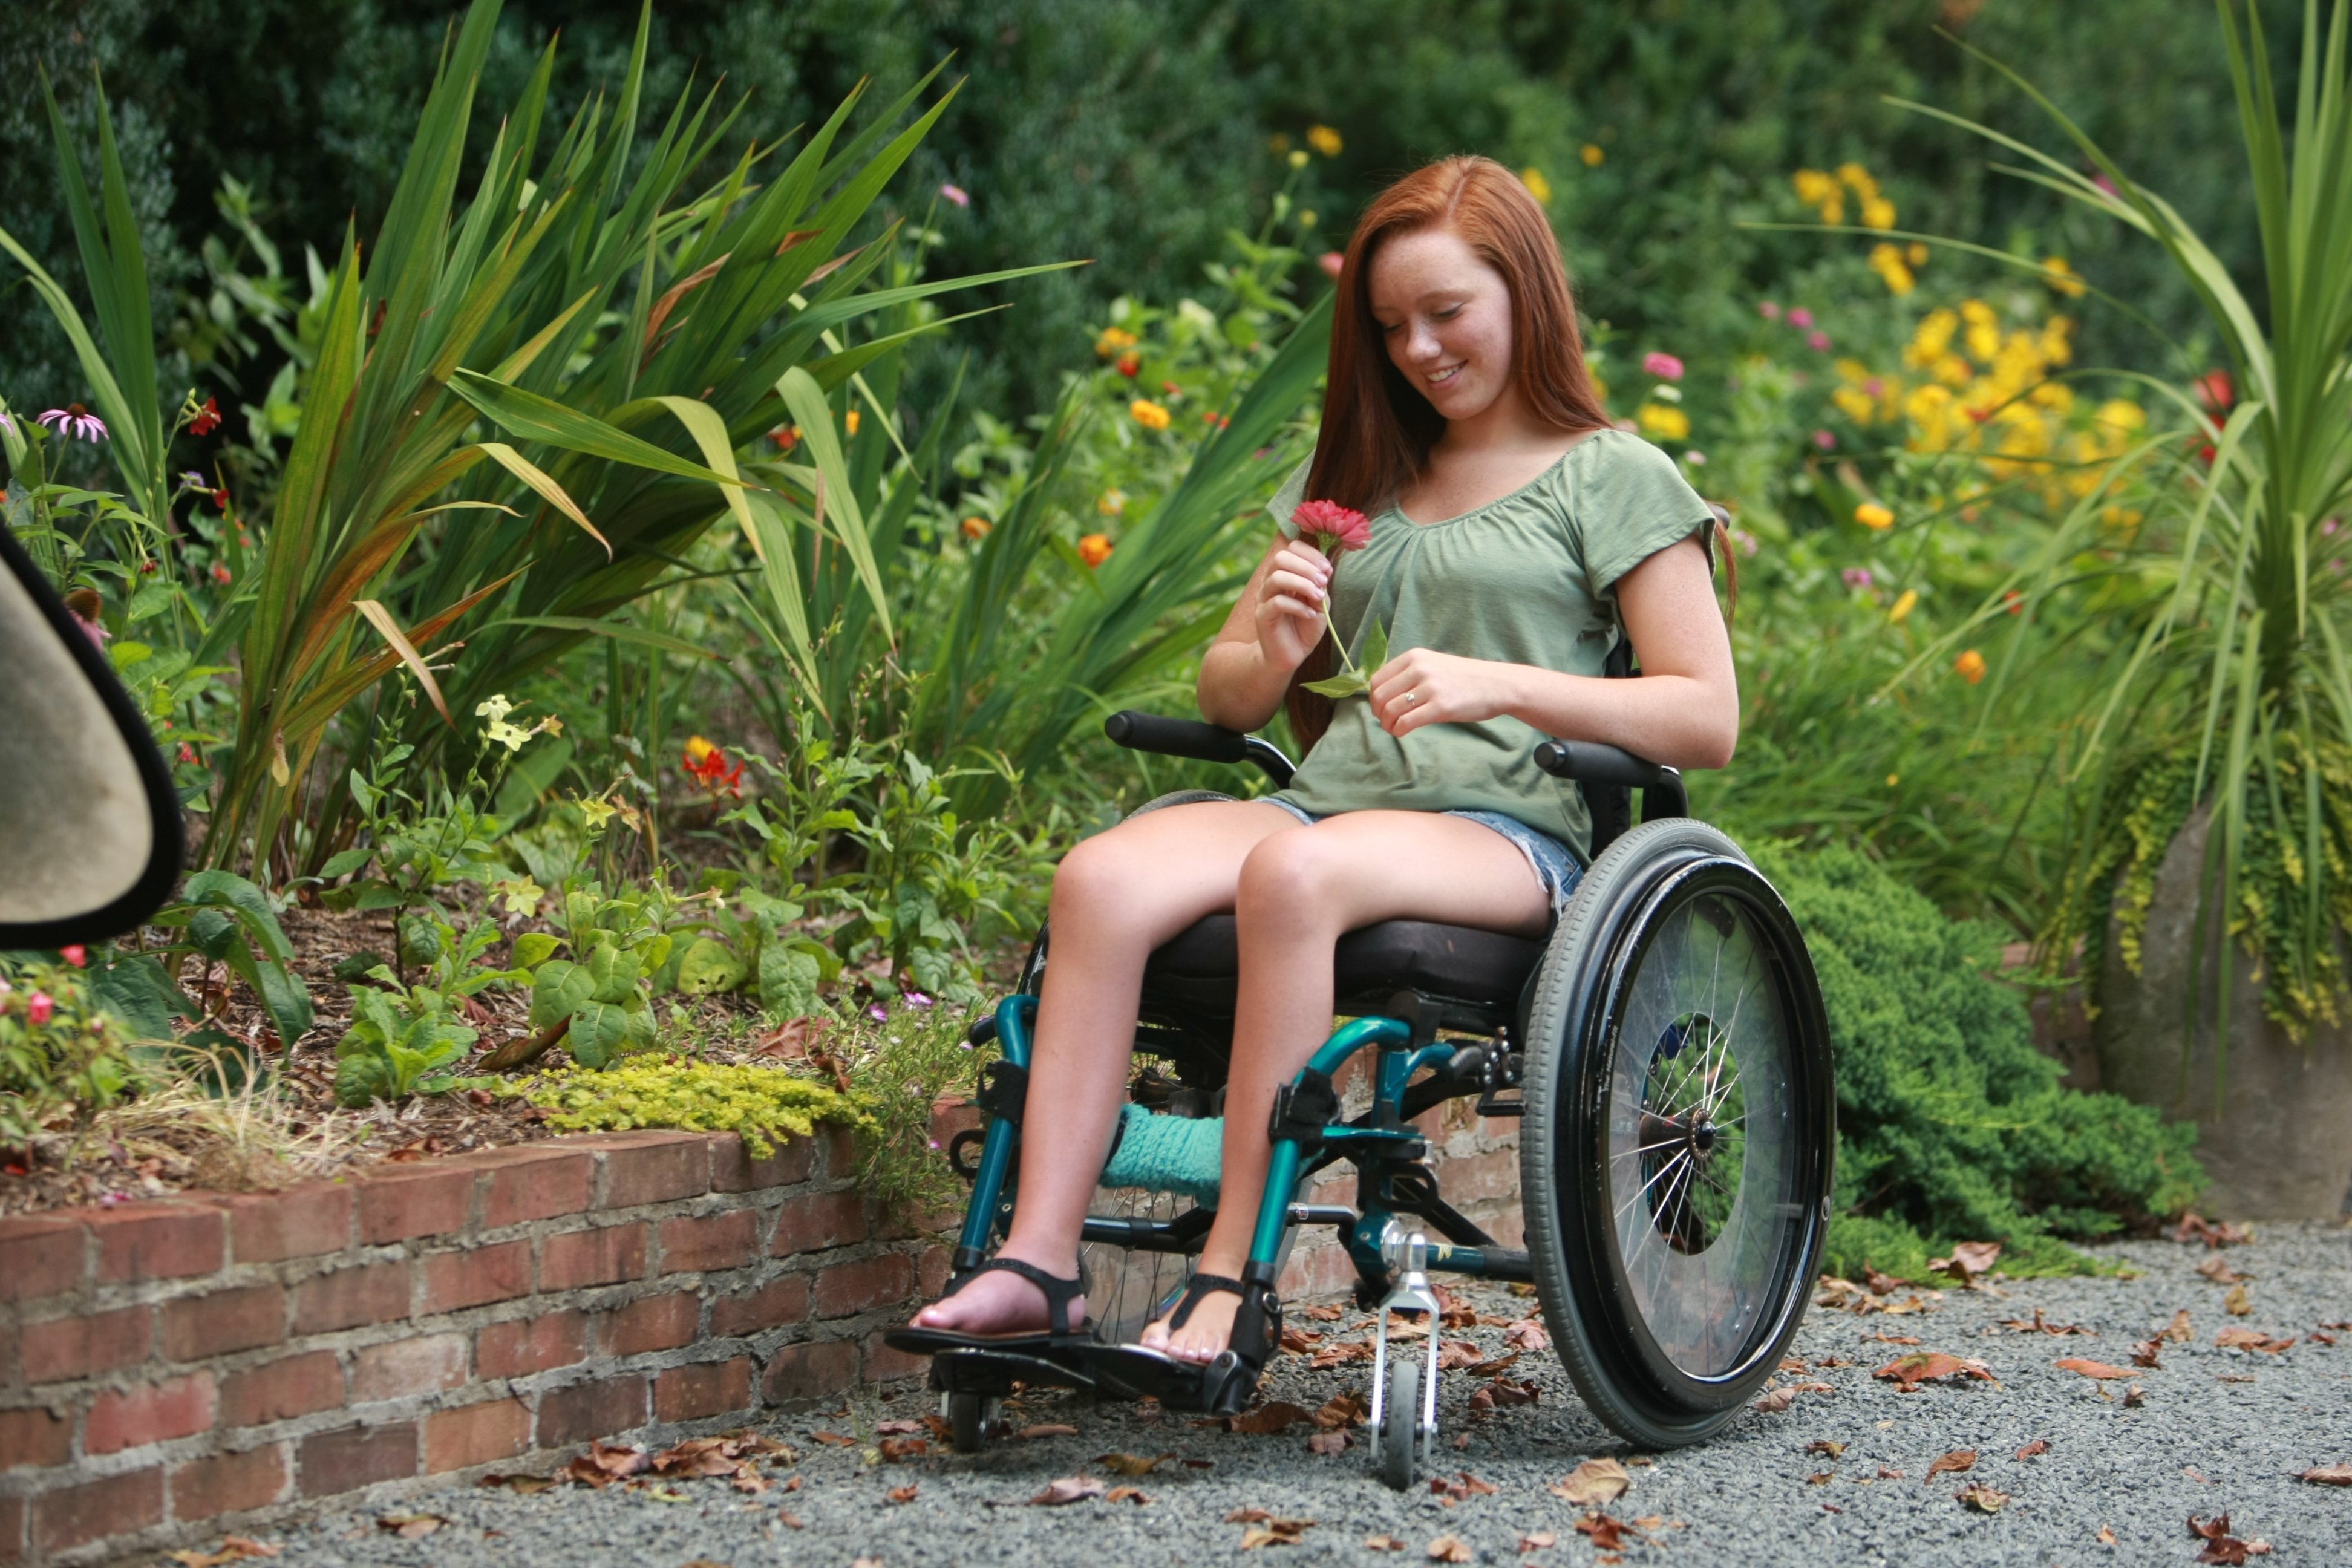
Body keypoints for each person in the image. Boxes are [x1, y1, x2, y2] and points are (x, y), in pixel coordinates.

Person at [901, 154, 1739, 1367]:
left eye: (1448, 313)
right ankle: (1037, 1265)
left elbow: (1705, 714)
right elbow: (1230, 691)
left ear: (1526, 294)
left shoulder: (1612, 475)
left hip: (1507, 831)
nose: (1420, 349)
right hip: (1328, 804)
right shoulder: (1355, 480)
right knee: (1099, 879)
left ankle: (1231, 1281)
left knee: (1295, 880)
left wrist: (1493, 680)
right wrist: (1281, 643)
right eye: (1393, 325)